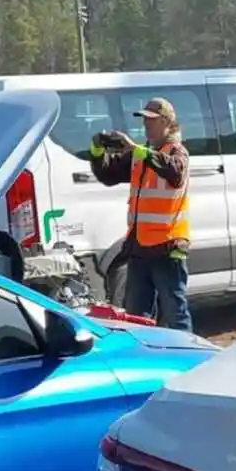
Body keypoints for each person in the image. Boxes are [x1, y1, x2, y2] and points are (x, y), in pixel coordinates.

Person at [89, 97, 192, 331]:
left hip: (168, 246)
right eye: (144, 119)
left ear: (166, 122)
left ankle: (187, 361)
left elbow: (174, 171)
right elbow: (108, 175)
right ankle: (146, 359)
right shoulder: (141, 154)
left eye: (151, 120)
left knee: (175, 314)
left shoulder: (177, 152)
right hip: (140, 247)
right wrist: (96, 151)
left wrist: (137, 149)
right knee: (136, 316)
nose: (146, 124)